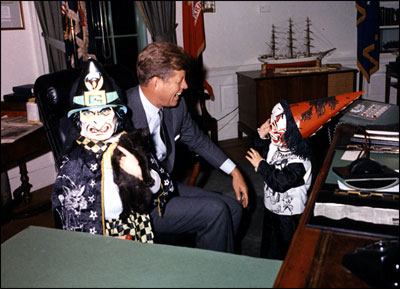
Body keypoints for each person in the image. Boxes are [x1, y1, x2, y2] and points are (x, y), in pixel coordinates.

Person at [125, 41, 249, 253]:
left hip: (165, 188)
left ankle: (214, 264)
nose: (185, 86)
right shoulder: (120, 114)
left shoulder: (176, 106)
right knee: (216, 211)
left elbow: (198, 139)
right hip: (138, 205)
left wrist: (234, 171)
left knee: (233, 209)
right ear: (156, 83)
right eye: (180, 80)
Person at [51, 58, 169, 243]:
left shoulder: (131, 145)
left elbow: (161, 188)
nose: (98, 122)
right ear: (78, 120)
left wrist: (141, 173)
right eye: (89, 113)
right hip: (98, 238)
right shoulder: (74, 162)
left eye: (105, 112)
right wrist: (104, 240)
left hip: (135, 227)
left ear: (118, 115)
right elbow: (68, 214)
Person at [246, 92, 363, 260]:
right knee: (270, 246)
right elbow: (257, 153)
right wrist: (260, 134)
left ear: (292, 133)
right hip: (271, 208)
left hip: (291, 215)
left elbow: (282, 181)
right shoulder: (275, 146)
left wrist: (262, 166)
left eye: (276, 124)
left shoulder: (300, 160)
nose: (272, 127)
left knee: (290, 249)